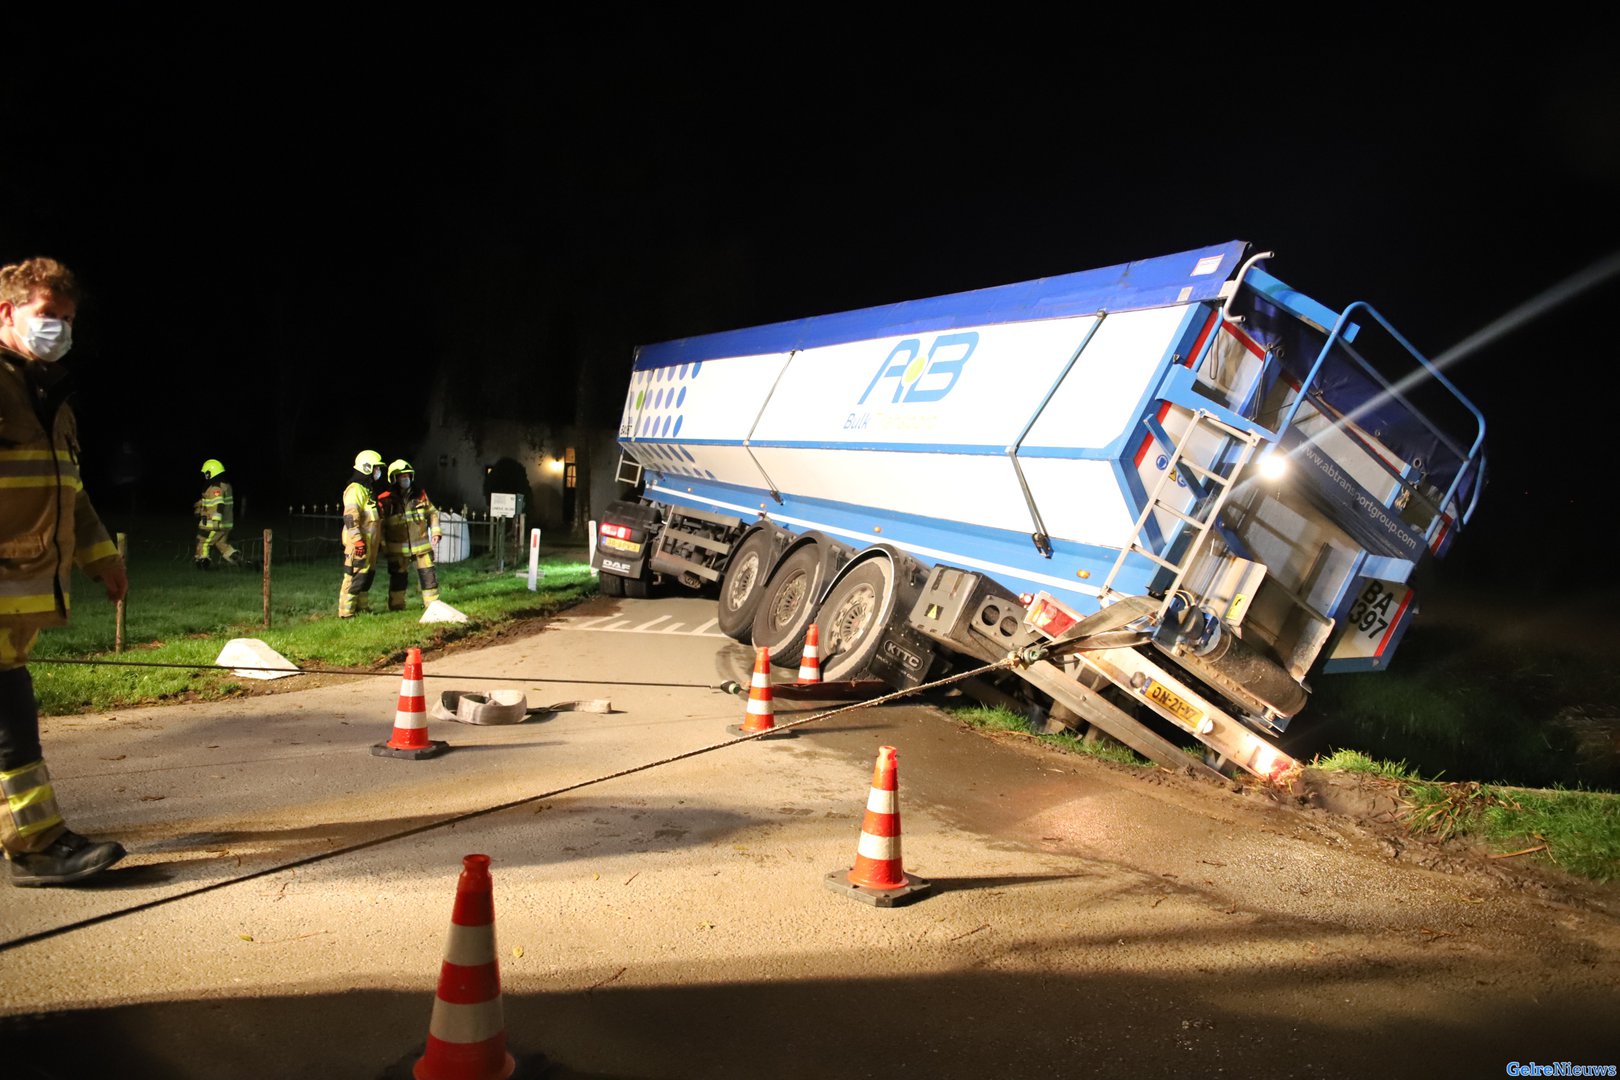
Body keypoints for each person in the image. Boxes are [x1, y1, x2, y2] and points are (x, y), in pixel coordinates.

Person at [0, 256, 129, 886]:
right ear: (7, 311)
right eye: (48, 316)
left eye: (68, 320)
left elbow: (68, 490)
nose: (60, 330)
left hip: (16, 594)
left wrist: (101, 555)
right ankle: (37, 843)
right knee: (9, 719)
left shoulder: (51, 396)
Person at [383, 459, 442, 610]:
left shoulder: (420, 495)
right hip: (398, 549)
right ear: (394, 478)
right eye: (401, 476)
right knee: (398, 578)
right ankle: (396, 607)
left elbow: (433, 513)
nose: (405, 479)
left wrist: (436, 532)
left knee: (428, 575)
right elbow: (379, 525)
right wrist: (382, 545)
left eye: (407, 475)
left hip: (421, 546)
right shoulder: (385, 500)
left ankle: (433, 606)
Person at [339, 449, 385, 617]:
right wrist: (358, 541)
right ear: (367, 468)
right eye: (376, 468)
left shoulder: (367, 490)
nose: (378, 472)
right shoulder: (355, 490)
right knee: (353, 577)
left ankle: (362, 608)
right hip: (358, 544)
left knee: (366, 576)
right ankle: (346, 613)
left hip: (369, 545)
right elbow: (351, 518)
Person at [193, 458, 238, 569]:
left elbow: (218, 504)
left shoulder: (216, 488)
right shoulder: (225, 485)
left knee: (203, 541)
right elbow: (207, 501)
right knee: (220, 544)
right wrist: (199, 508)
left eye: (206, 473)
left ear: (211, 472)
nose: (205, 476)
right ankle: (238, 559)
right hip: (226, 523)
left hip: (215, 525)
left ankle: (202, 563)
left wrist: (216, 521)